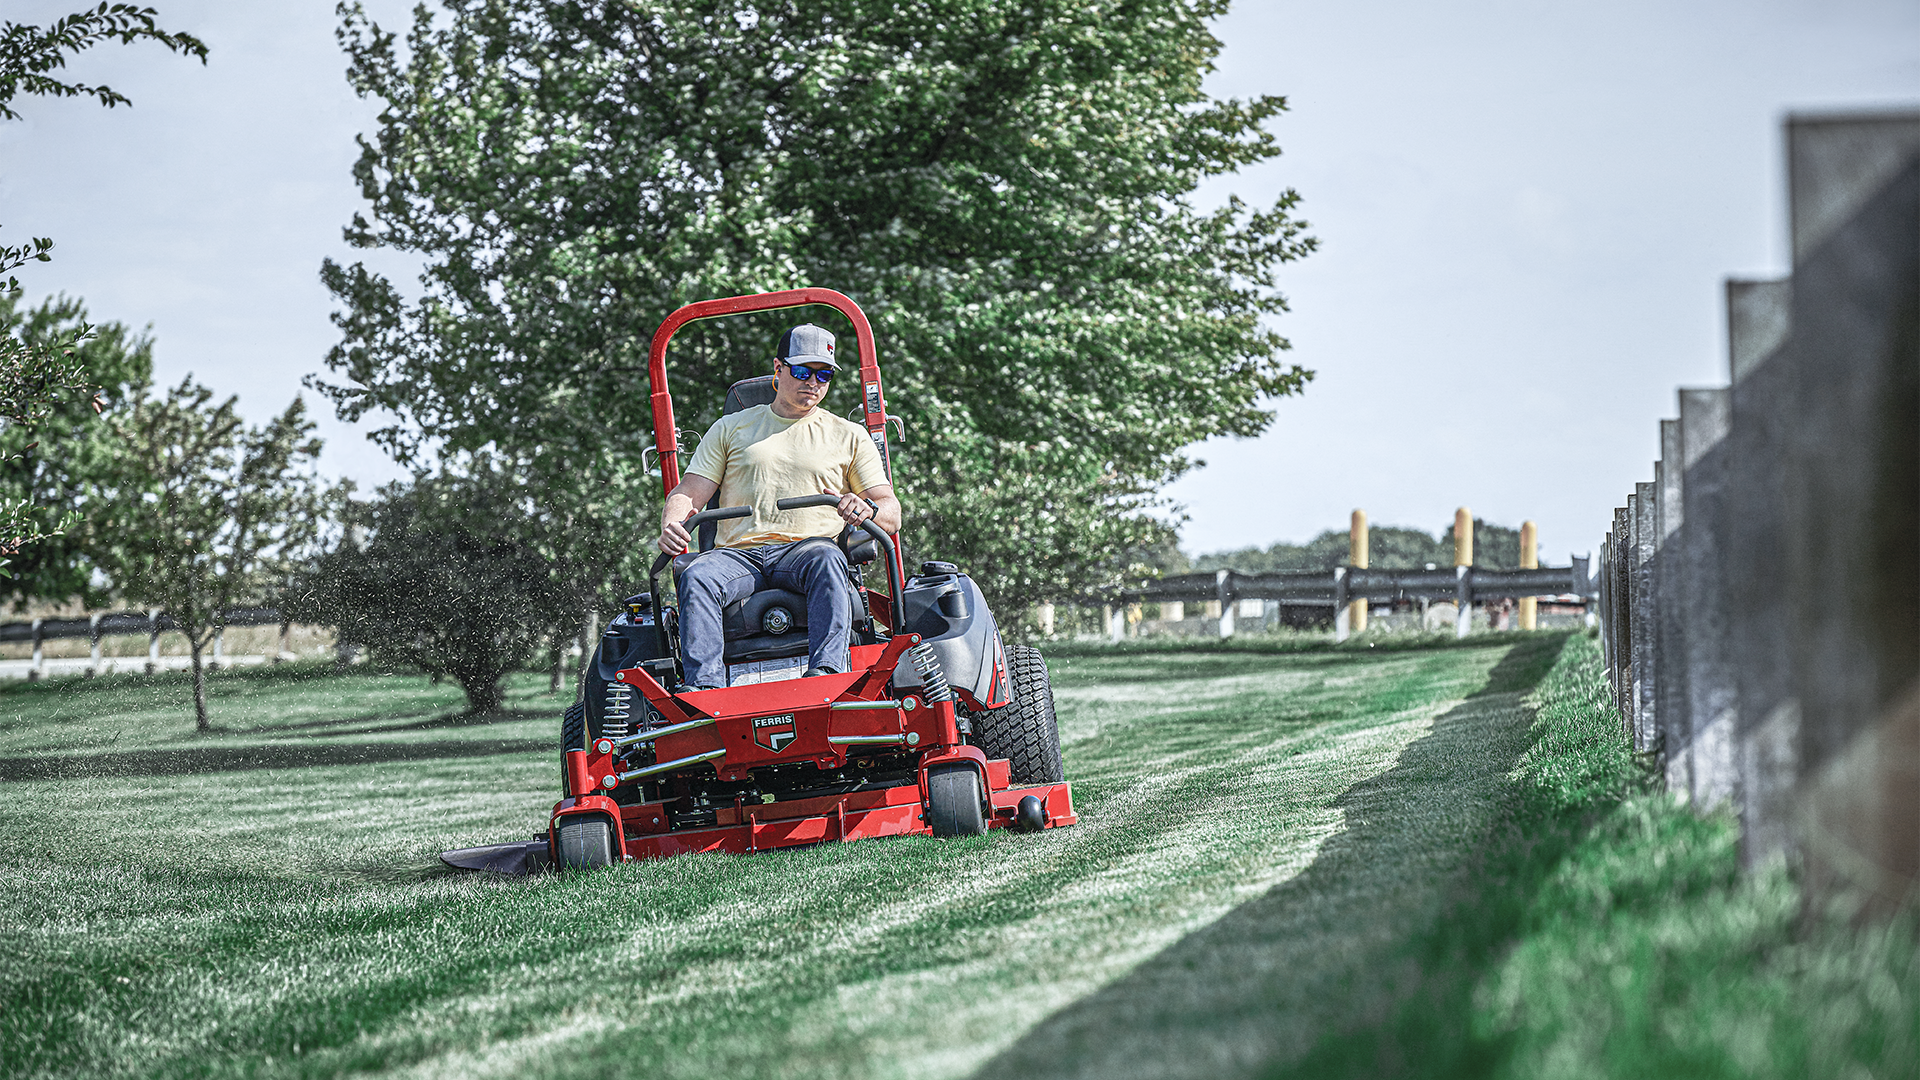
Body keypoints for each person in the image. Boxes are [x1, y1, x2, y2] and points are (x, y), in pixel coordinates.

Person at [656, 323, 902, 690]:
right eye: (802, 372)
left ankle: (827, 677)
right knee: (698, 574)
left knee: (828, 558)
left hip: (808, 550)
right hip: (738, 556)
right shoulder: (730, 429)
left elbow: (890, 511)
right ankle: (702, 692)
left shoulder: (848, 435)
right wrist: (673, 524)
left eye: (823, 375)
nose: (812, 382)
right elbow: (689, 492)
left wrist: (866, 508)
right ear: (778, 368)